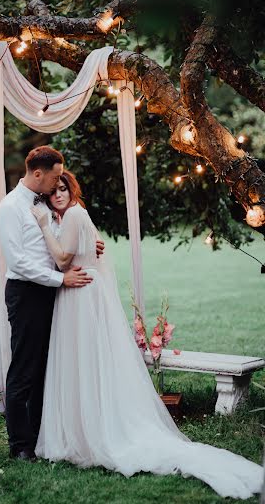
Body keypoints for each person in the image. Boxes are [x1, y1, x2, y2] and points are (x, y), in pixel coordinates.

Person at [31, 170, 263, 500]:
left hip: (80, 296)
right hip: (79, 294)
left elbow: (63, 258)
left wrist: (42, 225)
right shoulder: (71, 217)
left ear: (72, 190)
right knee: (84, 361)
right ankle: (84, 426)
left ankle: (89, 431)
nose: (58, 195)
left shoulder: (73, 214)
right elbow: (83, 251)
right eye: (53, 191)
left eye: (63, 188)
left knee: (84, 360)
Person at [0, 147, 104, 461]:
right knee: (24, 369)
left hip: (52, 293)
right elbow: (17, 261)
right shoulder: (10, 207)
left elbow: (59, 245)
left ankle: (42, 435)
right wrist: (61, 280)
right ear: (38, 173)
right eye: (55, 176)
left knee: (48, 366)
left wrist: (88, 242)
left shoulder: (46, 203)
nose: (59, 182)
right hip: (26, 293)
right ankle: (20, 445)